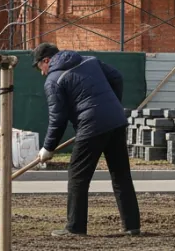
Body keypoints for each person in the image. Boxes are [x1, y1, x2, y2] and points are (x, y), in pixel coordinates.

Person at [33, 42, 140, 237]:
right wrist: (111, 106)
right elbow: (117, 77)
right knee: (120, 174)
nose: (42, 73)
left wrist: (48, 148)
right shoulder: (90, 61)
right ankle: (132, 226)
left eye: (40, 67)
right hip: (115, 120)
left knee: (77, 176)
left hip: (91, 125)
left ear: (46, 61)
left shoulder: (53, 80)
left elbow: (58, 118)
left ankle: (75, 228)